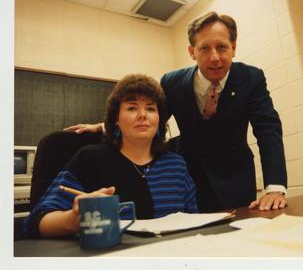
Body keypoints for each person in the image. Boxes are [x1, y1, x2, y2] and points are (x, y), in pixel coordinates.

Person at [65, 11, 287, 213]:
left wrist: (275, 187)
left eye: (221, 47)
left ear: (234, 47)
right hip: (188, 176)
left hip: (236, 178)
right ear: (192, 52)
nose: (215, 57)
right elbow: (153, 118)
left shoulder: (252, 78)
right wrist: (108, 125)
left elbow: (268, 131)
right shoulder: (172, 82)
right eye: (204, 49)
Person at [24, 74, 198, 238]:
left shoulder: (176, 165)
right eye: (132, 108)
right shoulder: (90, 159)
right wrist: (72, 219)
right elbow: (35, 221)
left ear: (159, 119)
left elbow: (194, 220)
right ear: (116, 119)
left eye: (151, 108)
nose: (143, 115)